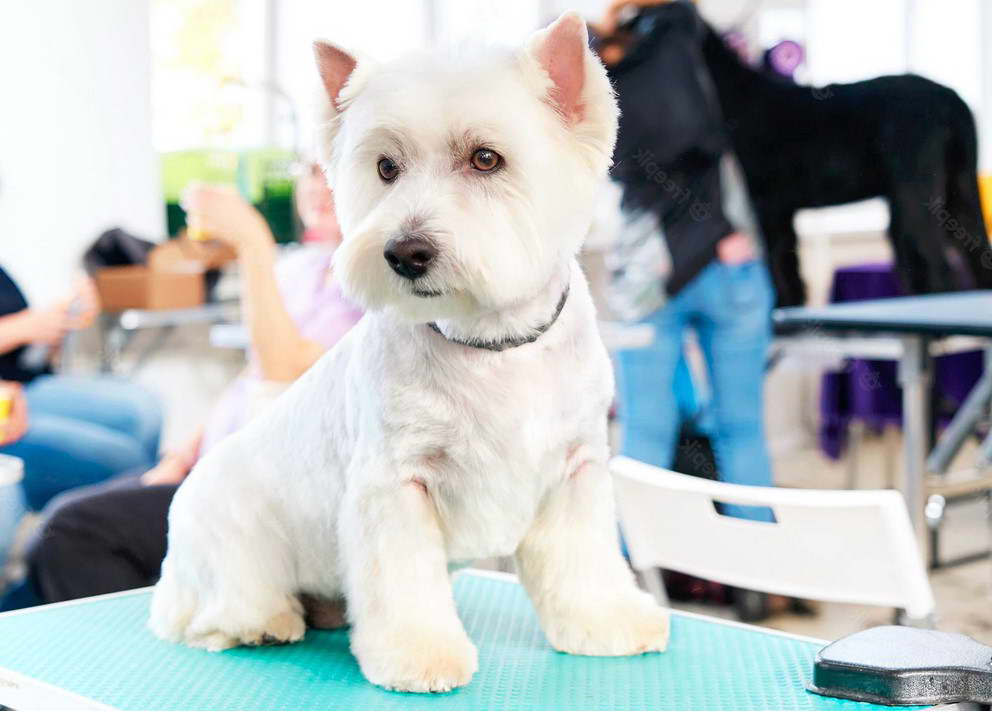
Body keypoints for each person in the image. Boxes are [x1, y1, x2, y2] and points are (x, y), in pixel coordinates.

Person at [0, 164, 362, 610]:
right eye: (309, 172)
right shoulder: (301, 270)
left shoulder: (373, 287)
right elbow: (248, 378)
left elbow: (279, 368)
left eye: (331, 172)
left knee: (73, 528)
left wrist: (252, 243)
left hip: (270, 488)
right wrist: (184, 453)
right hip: (218, 461)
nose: (316, 188)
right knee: (61, 528)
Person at [0, 270, 163, 512]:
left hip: (22, 383)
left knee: (145, 411)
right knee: (124, 460)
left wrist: (56, 322)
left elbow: (24, 349)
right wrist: (16, 329)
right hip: (10, 404)